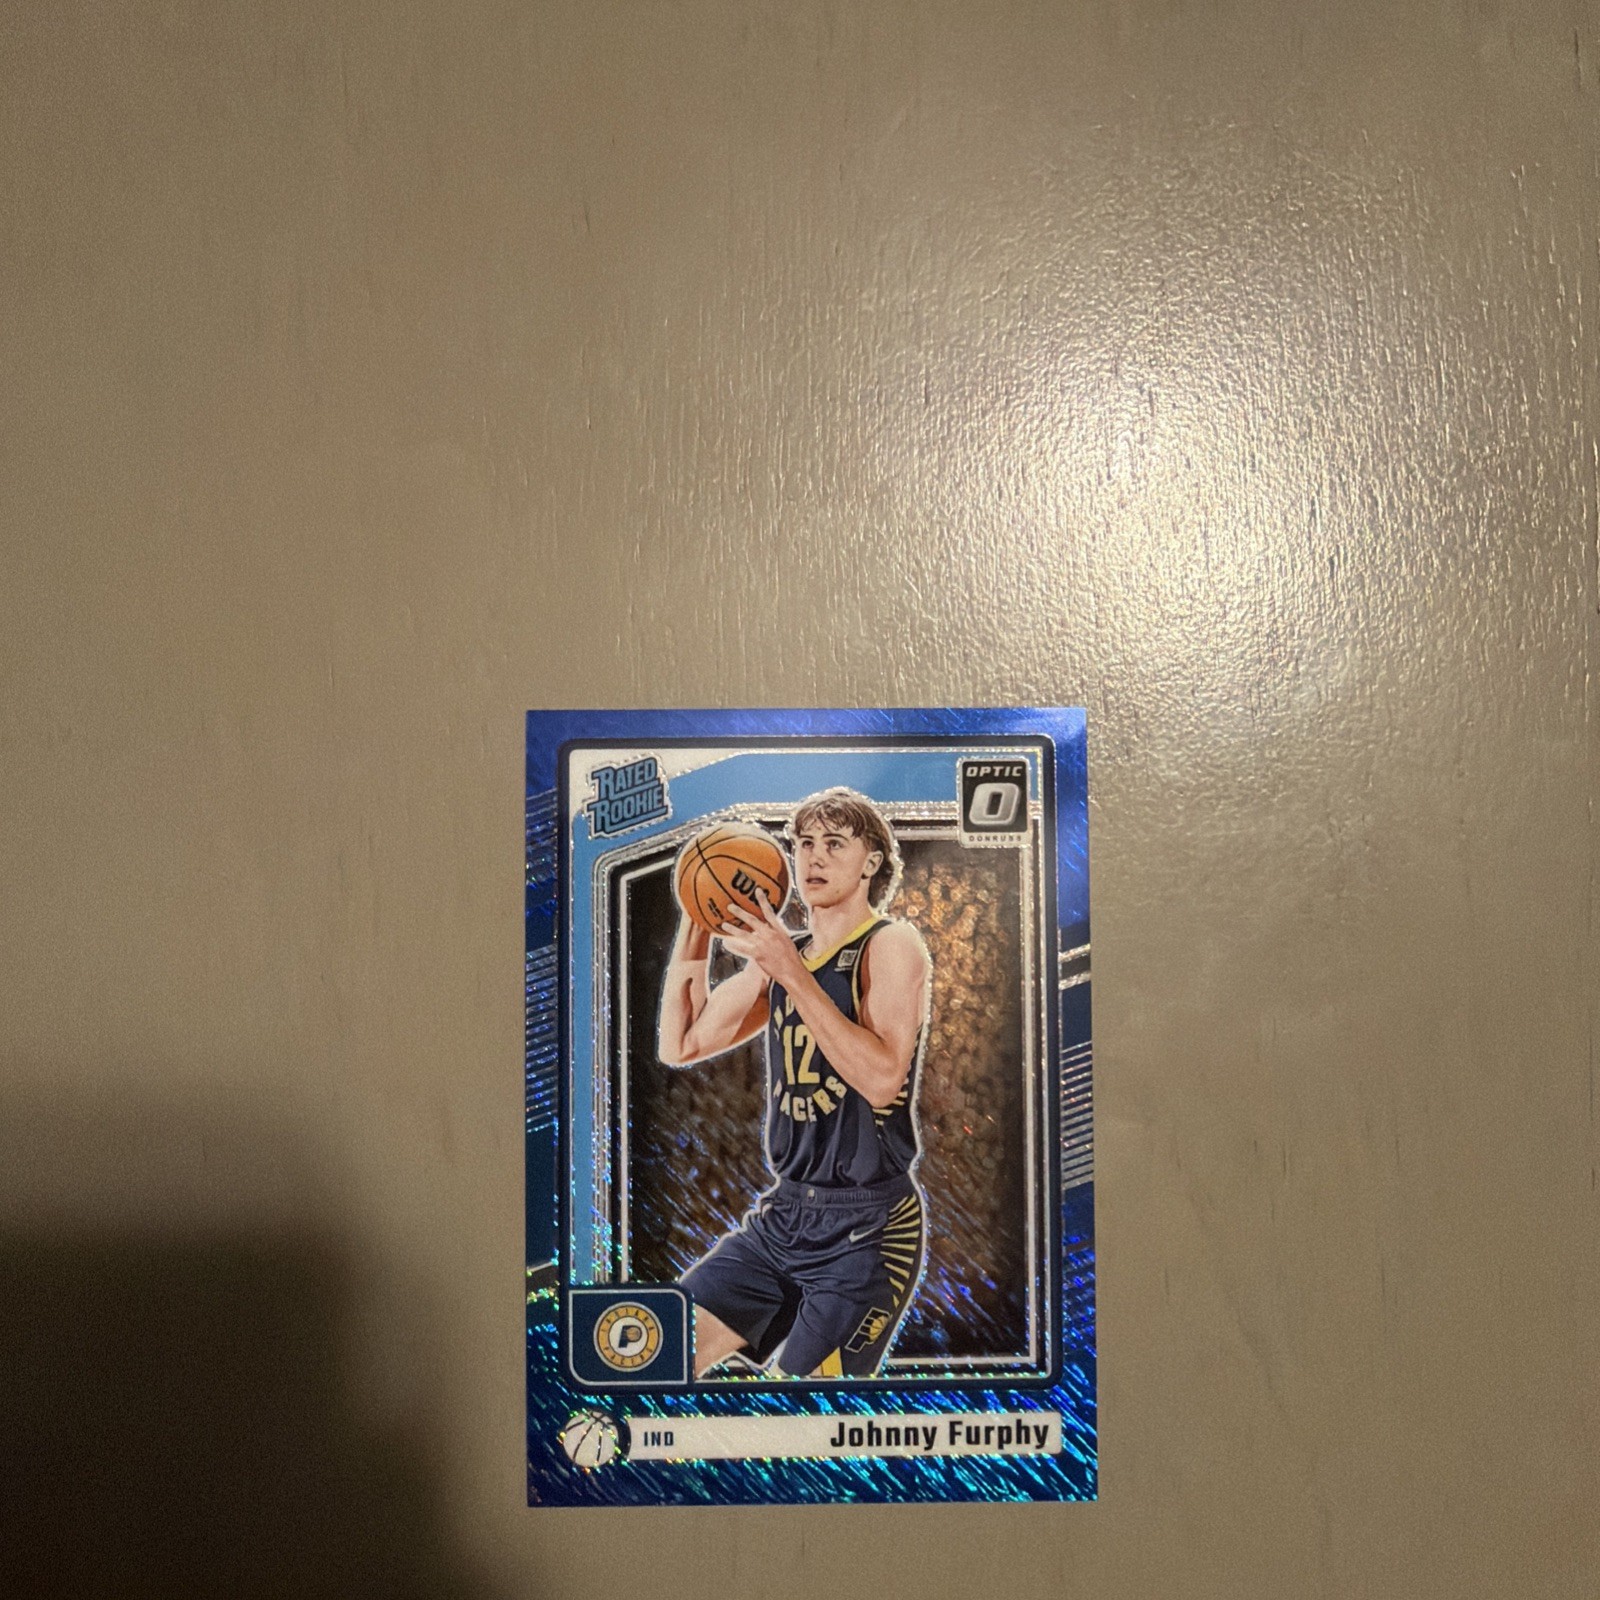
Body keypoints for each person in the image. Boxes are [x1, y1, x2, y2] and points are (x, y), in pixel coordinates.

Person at [658, 787, 933, 1380]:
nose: (814, 857)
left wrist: (791, 972)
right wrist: (697, 915)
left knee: (802, 1414)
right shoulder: (786, 955)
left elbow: (883, 1080)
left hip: (869, 1229)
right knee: (660, 1356)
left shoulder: (890, 945)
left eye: (835, 844)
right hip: (786, 1215)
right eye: (805, 843)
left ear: (871, 862)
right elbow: (681, 1044)